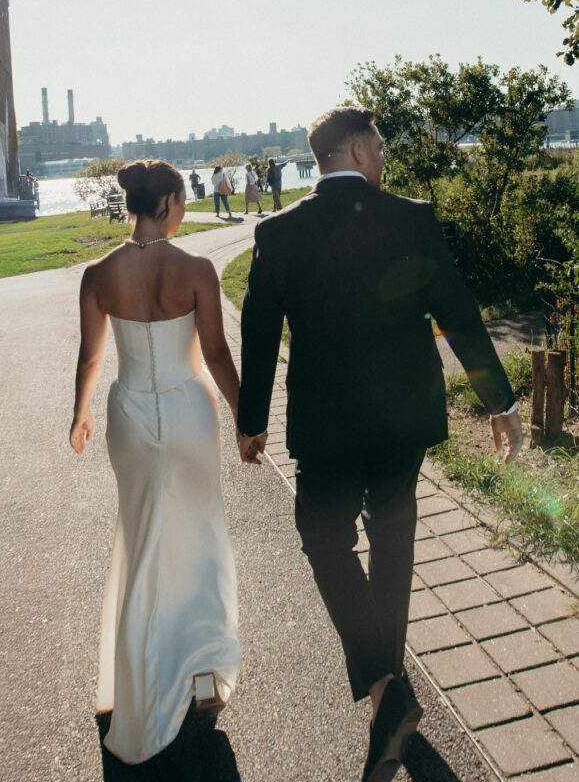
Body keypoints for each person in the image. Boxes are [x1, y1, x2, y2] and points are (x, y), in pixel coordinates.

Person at [236, 107, 523, 782]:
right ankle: (385, 692)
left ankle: (382, 689)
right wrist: (501, 403)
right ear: (361, 150)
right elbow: (457, 313)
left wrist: (251, 420)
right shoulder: (411, 218)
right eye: (381, 145)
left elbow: (257, 329)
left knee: (323, 538)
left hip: (325, 423)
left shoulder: (278, 231)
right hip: (402, 419)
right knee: (393, 542)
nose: (385, 156)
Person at [69, 159, 241, 765]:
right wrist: (245, 418)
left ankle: (139, 685)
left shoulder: (98, 274)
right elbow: (216, 351)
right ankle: (202, 676)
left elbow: (91, 356)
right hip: (190, 413)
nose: (185, 209)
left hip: (131, 416)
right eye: (184, 199)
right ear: (167, 201)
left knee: (143, 542)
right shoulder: (196, 269)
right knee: (199, 538)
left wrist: (80, 413)